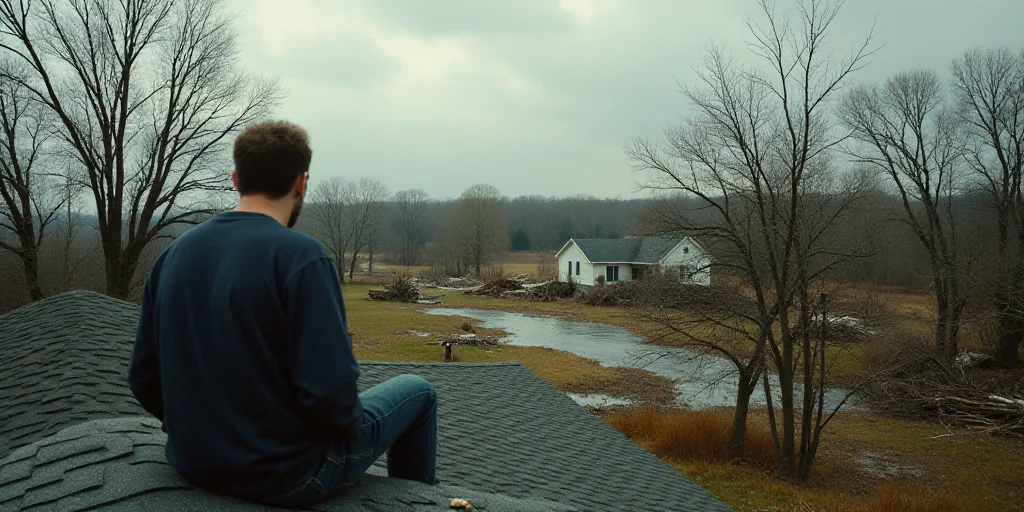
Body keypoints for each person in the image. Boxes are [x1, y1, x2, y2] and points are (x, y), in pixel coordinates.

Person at [127, 120, 438, 509]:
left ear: (235, 177)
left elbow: (142, 377)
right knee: (419, 391)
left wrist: (199, 435)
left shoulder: (175, 254)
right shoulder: (302, 257)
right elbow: (333, 398)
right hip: (290, 475)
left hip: (194, 462)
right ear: (301, 183)